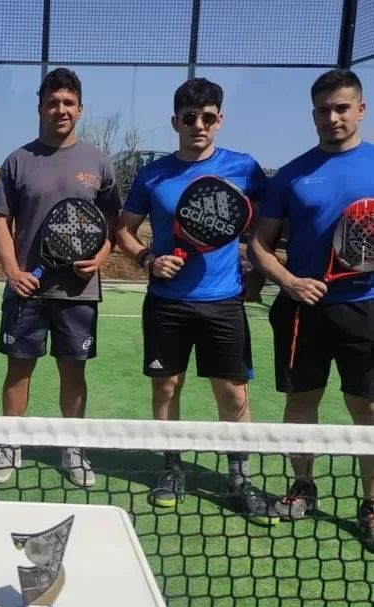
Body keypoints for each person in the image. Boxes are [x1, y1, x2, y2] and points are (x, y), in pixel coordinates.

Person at [117, 77, 278, 525]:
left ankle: (240, 479)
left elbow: (269, 222)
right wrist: (148, 258)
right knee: (166, 386)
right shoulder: (154, 175)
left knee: (232, 392)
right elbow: (124, 230)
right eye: (189, 118)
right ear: (176, 122)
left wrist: (256, 269)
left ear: (220, 120)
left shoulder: (244, 168)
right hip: (167, 302)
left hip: (223, 303)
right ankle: (171, 468)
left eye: (208, 117)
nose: (198, 125)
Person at [250, 68, 374, 549]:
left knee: (366, 409)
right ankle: (302, 487)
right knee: (301, 405)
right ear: (313, 115)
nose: (332, 117)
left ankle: (371, 504)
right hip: (303, 312)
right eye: (323, 109)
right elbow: (259, 246)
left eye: (342, 107)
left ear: (360, 110)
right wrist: (289, 282)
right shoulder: (292, 175)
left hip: (364, 309)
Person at [0, 67, 120, 488]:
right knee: (18, 372)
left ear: (80, 109)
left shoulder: (98, 161)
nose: (60, 110)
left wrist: (100, 255)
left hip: (78, 294)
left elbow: (111, 222)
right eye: (53, 102)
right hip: (27, 291)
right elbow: (0, 221)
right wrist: (12, 272)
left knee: (73, 373)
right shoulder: (18, 160)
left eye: (68, 103)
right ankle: (10, 445)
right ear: (40, 107)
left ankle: (72, 447)